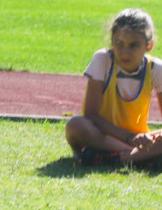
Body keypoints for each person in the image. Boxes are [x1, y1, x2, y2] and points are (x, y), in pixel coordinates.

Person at [65, 8, 162, 167]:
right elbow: (91, 115)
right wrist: (130, 138)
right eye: (119, 43)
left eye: (133, 45)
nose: (125, 52)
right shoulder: (103, 59)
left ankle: (123, 159)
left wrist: (143, 138)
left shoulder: (156, 68)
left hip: (140, 137)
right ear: (112, 42)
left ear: (149, 46)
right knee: (76, 125)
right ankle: (140, 157)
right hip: (103, 136)